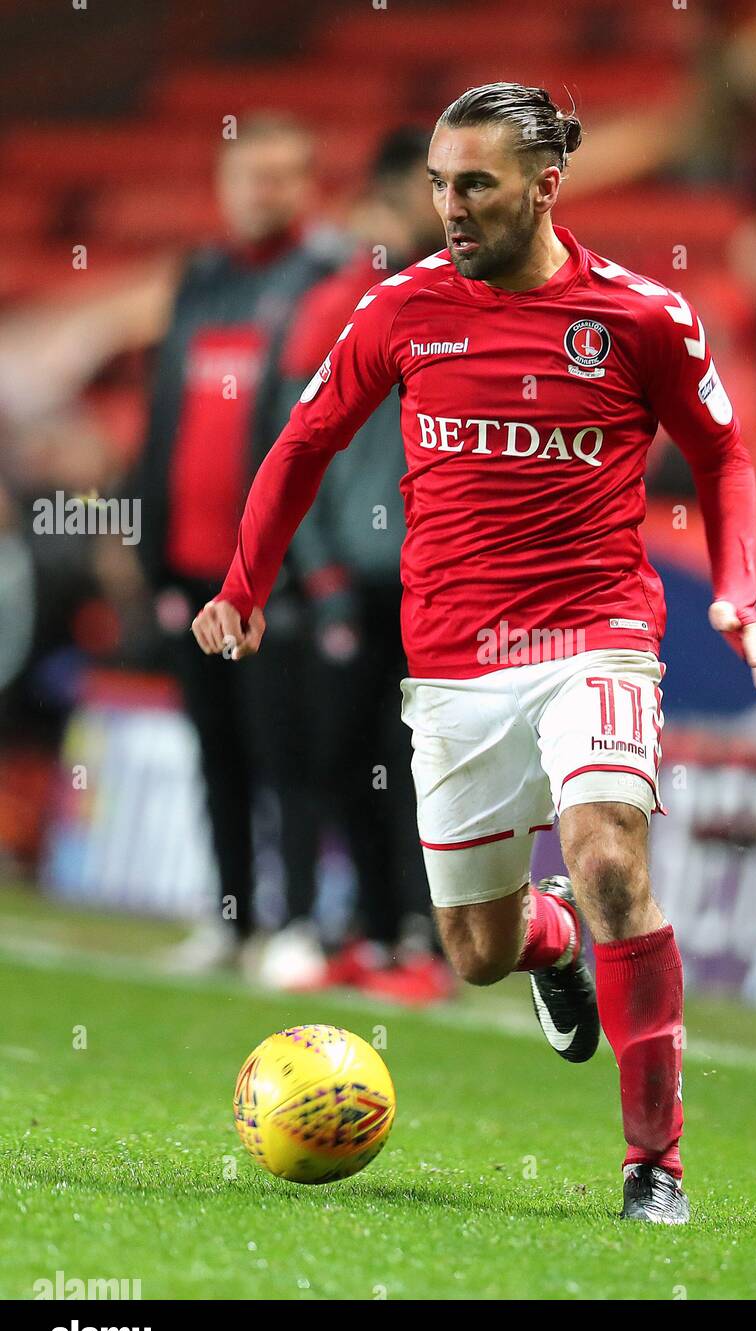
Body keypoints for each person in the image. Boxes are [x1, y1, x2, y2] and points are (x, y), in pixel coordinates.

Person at [192, 82, 756, 1223]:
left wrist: (737, 591)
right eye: (437, 183)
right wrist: (242, 583)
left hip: (595, 631)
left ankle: (653, 1162)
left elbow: (725, 455)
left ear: (545, 185)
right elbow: (304, 440)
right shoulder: (402, 309)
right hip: (458, 656)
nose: (450, 206)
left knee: (612, 856)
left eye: (476, 184)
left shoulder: (639, 315)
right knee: (474, 948)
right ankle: (550, 935)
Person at [136, 113, 336, 970]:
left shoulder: (326, 283)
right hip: (189, 560)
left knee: (283, 749)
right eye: (251, 177)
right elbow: (164, 418)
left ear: (308, 184)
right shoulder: (201, 279)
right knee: (215, 749)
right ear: (223, 187)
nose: (266, 193)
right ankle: (231, 920)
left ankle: (294, 924)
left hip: (274, 569)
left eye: (283, 176)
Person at [276, 127, 450, 1002]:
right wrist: (317, 570)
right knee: (344, 758)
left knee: (416, 760)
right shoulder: (333, 311)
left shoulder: (458, 304)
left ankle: (422, 939)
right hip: (349, 577)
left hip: (431, 579)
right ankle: (375, 931)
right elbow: (297, 450)